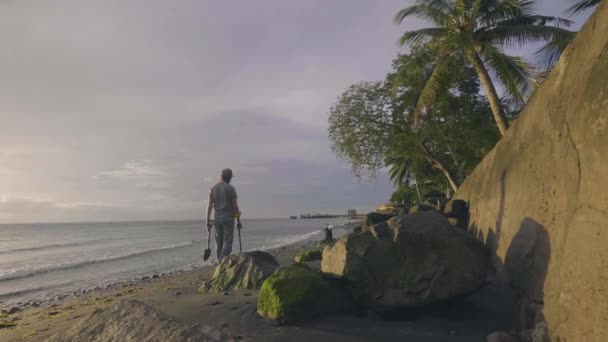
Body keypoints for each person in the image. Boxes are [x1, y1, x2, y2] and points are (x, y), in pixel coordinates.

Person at [206, 168, 242, 261]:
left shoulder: (213, 188)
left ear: (221, 176)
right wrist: (238, 221)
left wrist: (207, 220)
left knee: (219, 243)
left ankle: (219, 262)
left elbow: (209, 206)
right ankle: (221, 262)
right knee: (227, 242)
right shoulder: (230, 188)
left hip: (217, 218)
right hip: (228, 218)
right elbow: (235, 206)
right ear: (229, 177)